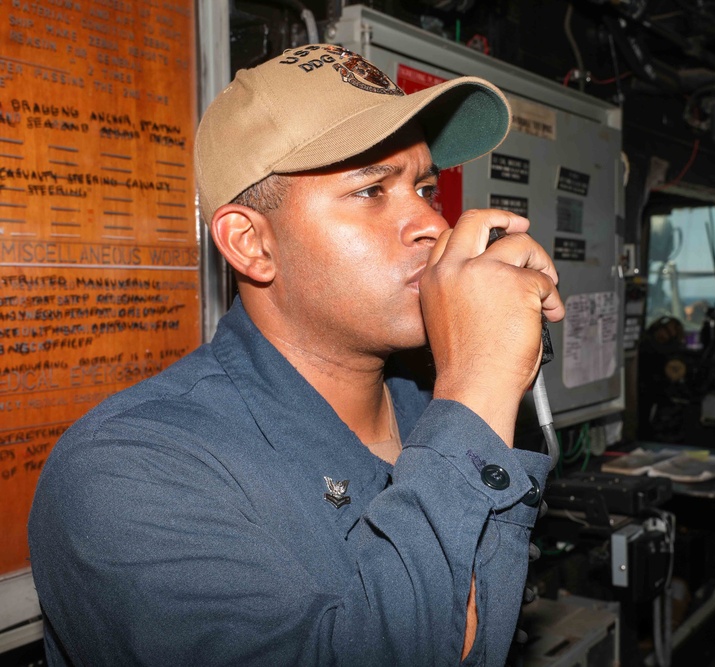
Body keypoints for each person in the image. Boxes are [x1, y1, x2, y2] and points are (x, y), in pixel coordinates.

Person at [28, 43, 564, 666]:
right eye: (370, 191)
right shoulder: (126, 472)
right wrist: (480, 382)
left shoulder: (435, 404)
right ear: (251, 243)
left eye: (424, 186)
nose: (431, 224)